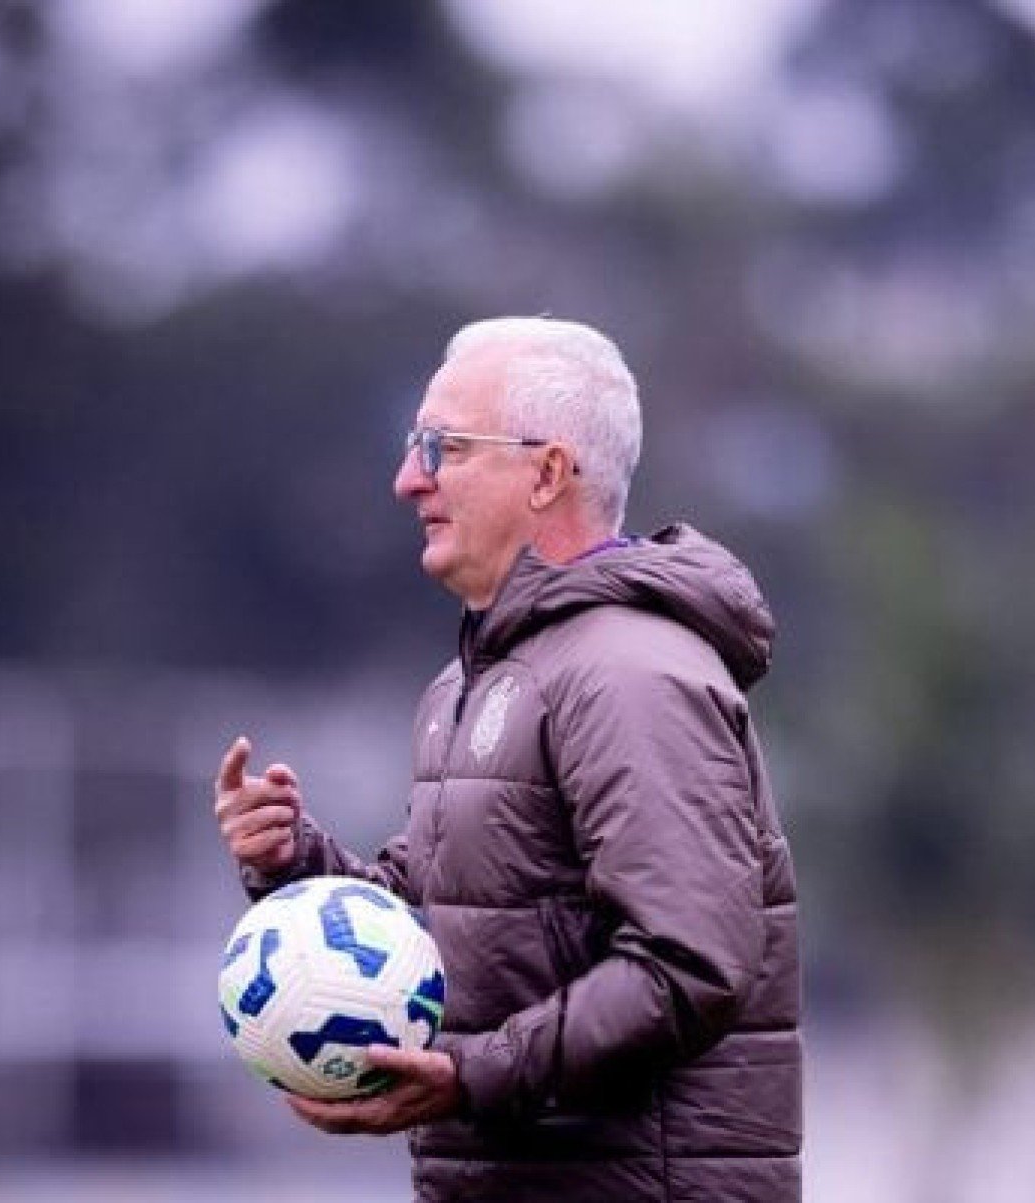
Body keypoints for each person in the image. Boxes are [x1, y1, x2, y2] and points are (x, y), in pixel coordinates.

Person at [211, 316, 802, 1203]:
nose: (408, 478)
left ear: (548, 472)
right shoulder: (473, 681)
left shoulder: (631, 672)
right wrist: (294, 865)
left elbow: (689, 962)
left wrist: (471, 1073)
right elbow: (450, 919)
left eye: (441, 446)